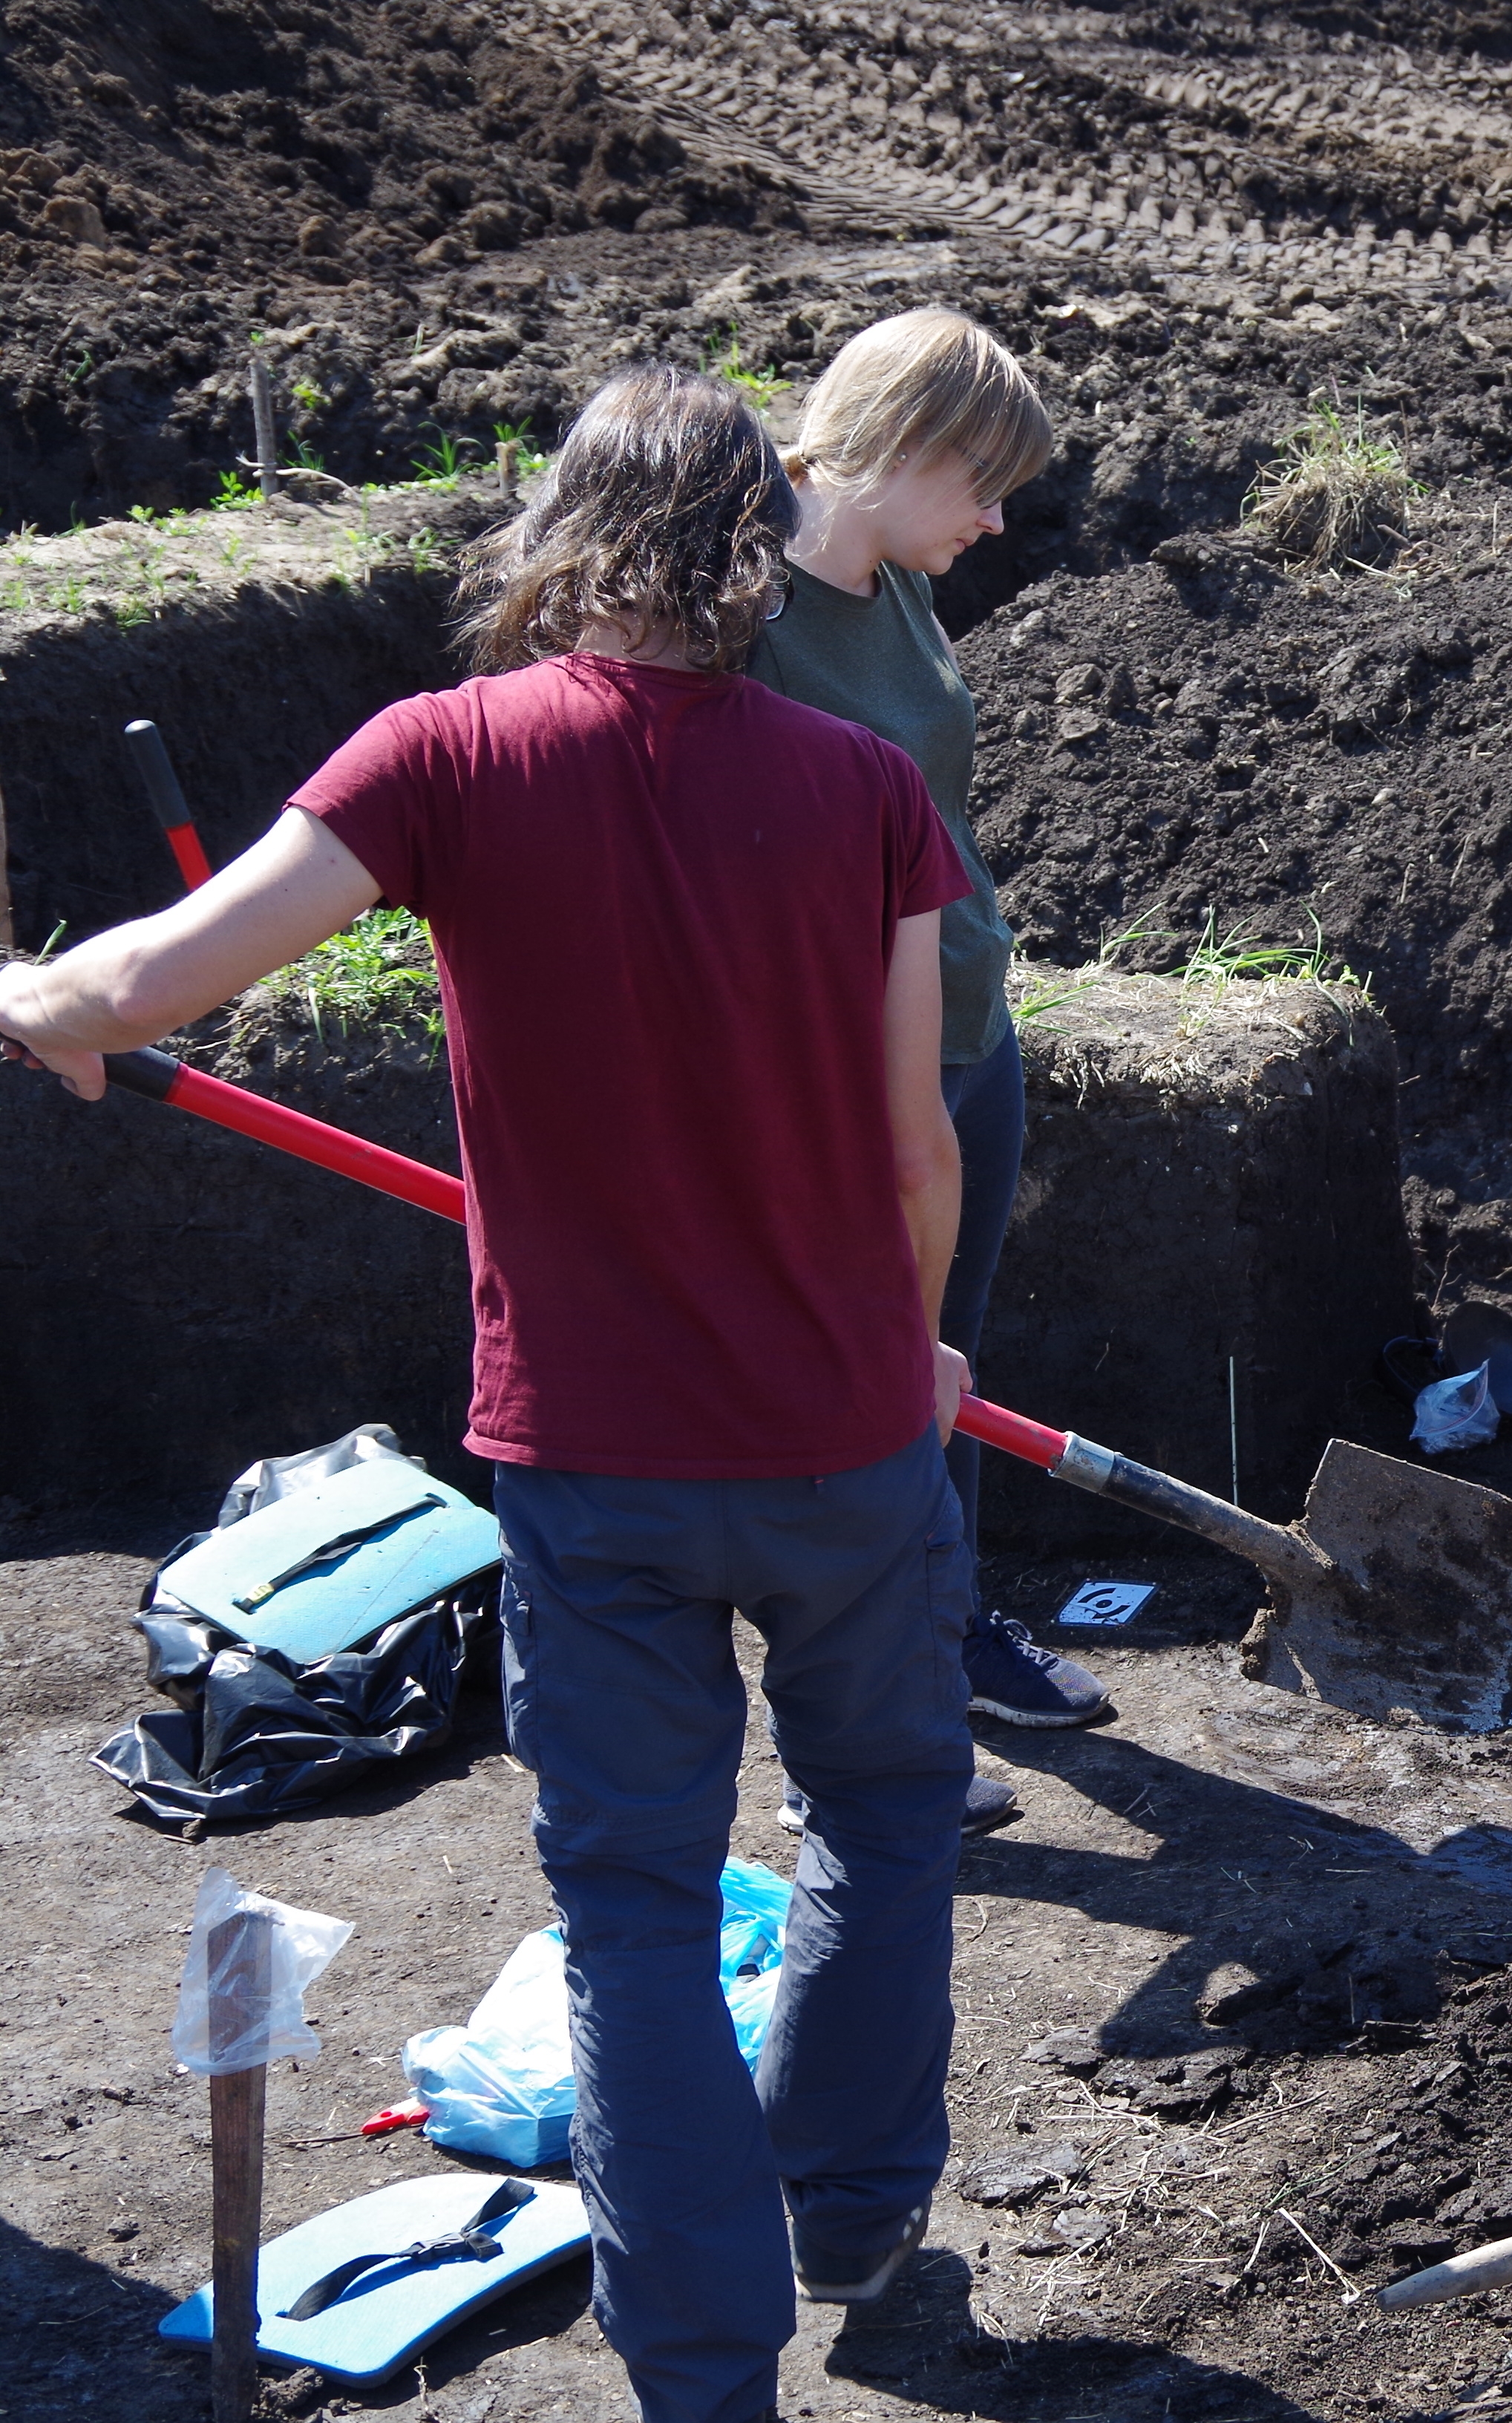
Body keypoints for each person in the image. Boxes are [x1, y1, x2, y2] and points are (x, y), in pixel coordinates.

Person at [2, 366, 981, 2419]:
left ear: (562, 532)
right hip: (849, 1437)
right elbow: (918, 1153)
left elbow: (162, 975)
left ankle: (710, 2377)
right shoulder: (863, 791)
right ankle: (859, 2203)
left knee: (633, 1911)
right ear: (747, 552)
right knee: (884, 1820)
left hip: (603, 1463)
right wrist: (913, 1340)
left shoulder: (444, 757)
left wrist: (41, 998)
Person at [745, 306, 1105, 1740]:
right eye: (984, 480)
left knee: (942, 1360)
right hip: (843, 1069)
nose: (1000, 516)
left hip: (966, 1026)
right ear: (903, 445)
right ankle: (859, 1705)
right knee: (850, 1383)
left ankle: (945, 1625)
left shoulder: (894, 578)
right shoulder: (741, 622)